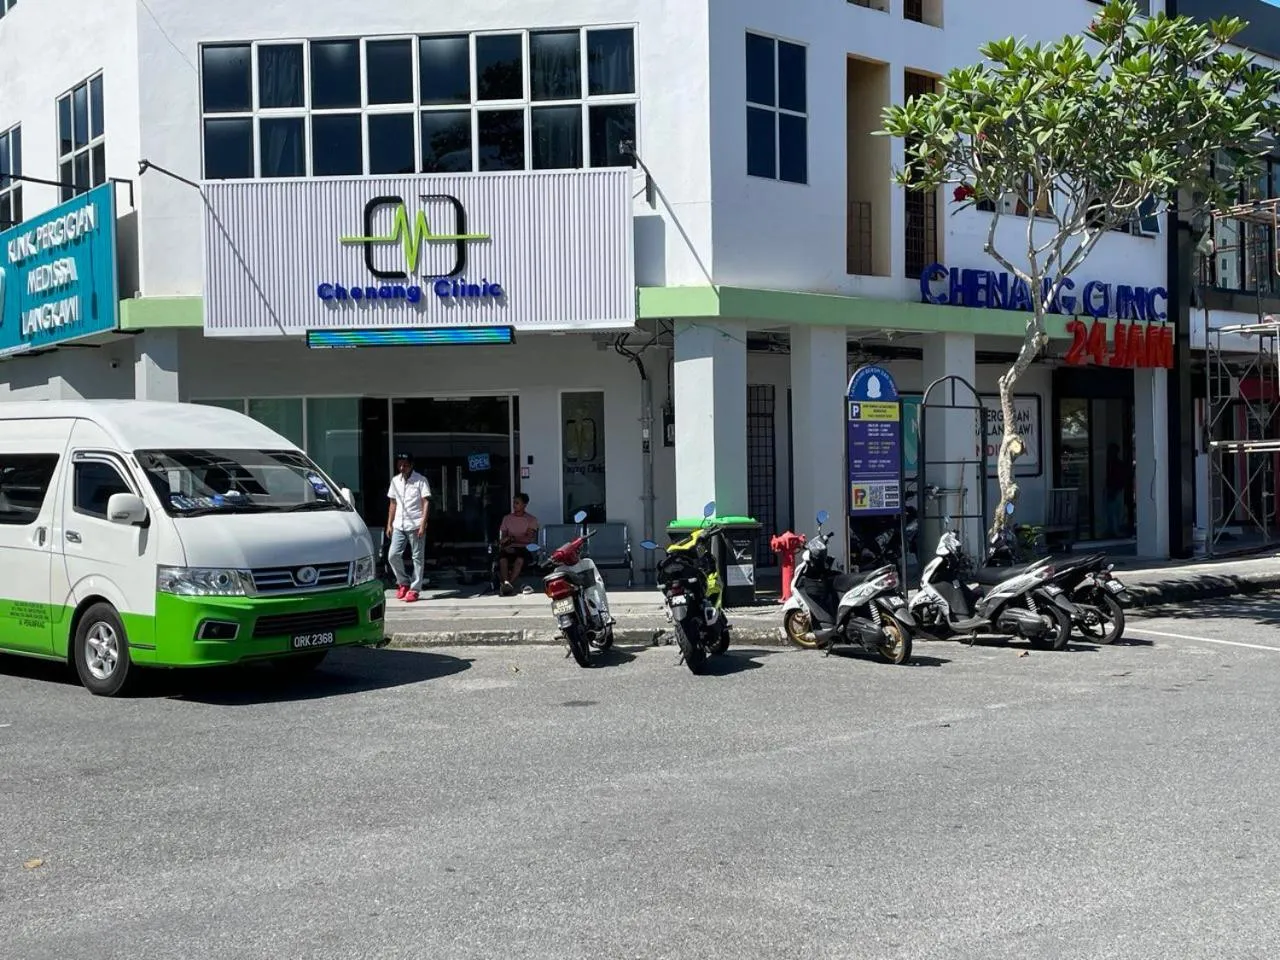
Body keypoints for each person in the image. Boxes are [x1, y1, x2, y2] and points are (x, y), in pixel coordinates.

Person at [386, 452, 431, 603]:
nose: (402, 467)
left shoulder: (420, 480)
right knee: (392, 555)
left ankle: (415, 588)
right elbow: (393, 503)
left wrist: (423, 523)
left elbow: (426, 502)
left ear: (411, 465)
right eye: (399, 464)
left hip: (415, 524)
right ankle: (403, 582)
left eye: (405, 464)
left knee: (417, 557)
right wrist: (389, 524)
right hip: (399, 524)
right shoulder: (395, 481)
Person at [497, 493, 539, 596]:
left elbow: (528, 539)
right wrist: (506, 543)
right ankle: (506, 582)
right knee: (503, 558)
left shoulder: (531, 519)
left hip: (524, 548)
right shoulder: (507, 518)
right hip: (509, 547)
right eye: (514, 503)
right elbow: (503, 538)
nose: (514, 505)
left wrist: (513, 538)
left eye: (517, 503)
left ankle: (508, 584)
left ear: (524, 505)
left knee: (520, 559)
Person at [1104, 443, 1130, 538]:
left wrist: (1116, 490)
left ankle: (1115, 530)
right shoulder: (1109, 464)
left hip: (1116, 490)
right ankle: (1112, 530)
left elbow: (1121, 479)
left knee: (1115, 511)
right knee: (1110, 511)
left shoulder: (1117, 464)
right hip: (1112, 490)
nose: (1110, 453)